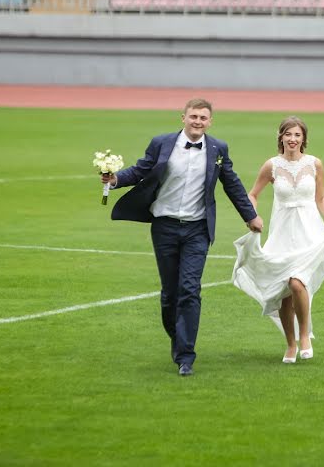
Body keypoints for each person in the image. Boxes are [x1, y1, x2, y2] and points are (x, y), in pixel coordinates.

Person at [102, 98, 263, 377]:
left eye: (203, 118)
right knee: (170, 293)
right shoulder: (162, 143)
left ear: (210, 122)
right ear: (183, 118)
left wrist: (250, 216)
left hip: (197, 229)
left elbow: (232, 184)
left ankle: (186, 356)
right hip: (164, 226)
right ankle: (179, 340)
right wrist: (115, 180)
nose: (197, 122)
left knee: (189, 289)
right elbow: (141, 170)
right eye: (193, 117)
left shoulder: (217, 149)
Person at [231, 116, 324, 364]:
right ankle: (290, 344)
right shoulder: (271, 166)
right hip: (282, 233)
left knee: (297, 283)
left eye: (297, 135)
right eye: (288, 134)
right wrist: (252, 216)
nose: (292, 139)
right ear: (280, 137)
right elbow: (253, 194)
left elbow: (320, 198)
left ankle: (304, 335)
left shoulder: (314, 164)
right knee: (284, 290)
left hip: (308, 232)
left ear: (303, 139)